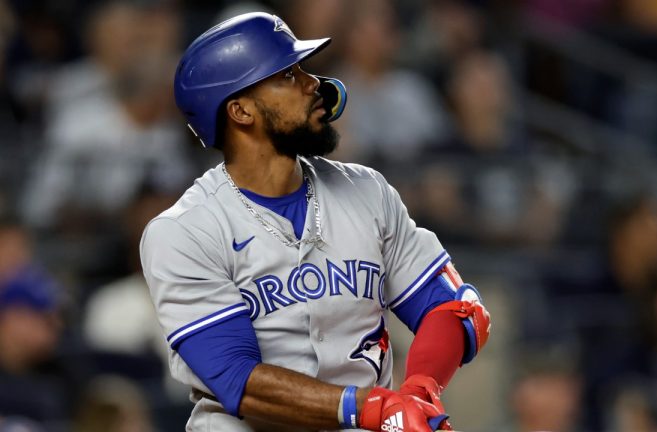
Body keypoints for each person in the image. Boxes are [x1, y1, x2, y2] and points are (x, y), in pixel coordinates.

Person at [140, 12, 491, 432]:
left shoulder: (367, 192)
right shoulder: (183, 231)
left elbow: (453, 308)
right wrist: (374, 407)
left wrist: (418, 392)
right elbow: (238, 381)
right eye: (288, 75)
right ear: (240, 111)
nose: (313, 84)